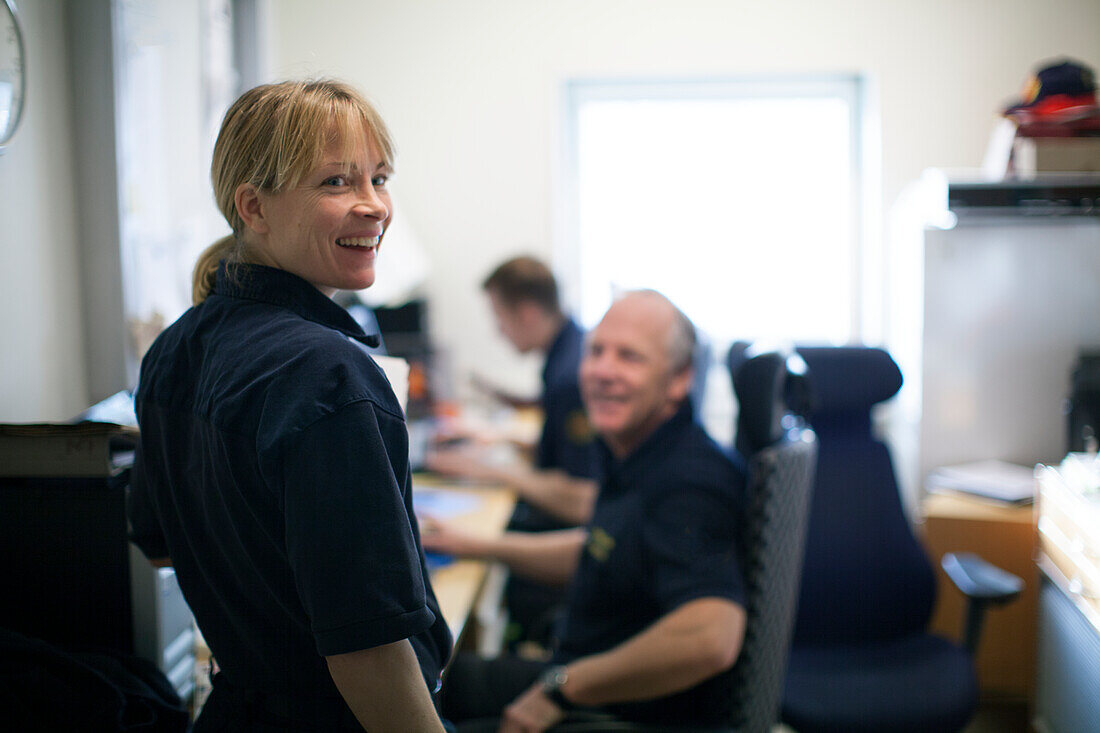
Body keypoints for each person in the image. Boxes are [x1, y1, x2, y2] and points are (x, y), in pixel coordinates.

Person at [127, 80, 451, 732]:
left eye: (379, 177)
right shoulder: (330, 376)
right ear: (254, 206)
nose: (374, 206)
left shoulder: (173, 350)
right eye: (337, 182)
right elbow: (370, 649)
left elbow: (156, 537)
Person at [426, 290, 748, 731]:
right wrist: (474, 544)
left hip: (625, 710)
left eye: (630, 357)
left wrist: (560, 689)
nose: (602, 371)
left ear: (678, 380)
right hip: (587, 679)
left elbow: (711, 636)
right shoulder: (640, 452)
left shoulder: (690, 480)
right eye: (596, 351)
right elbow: (601, 548)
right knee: (432, 678)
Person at [428, 257, 599, 649]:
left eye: (498, 317)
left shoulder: (570, 377)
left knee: (470, 552)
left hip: (571, 549)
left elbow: (583, 497)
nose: (498, 332)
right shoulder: (566, 353)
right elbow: (565, 447)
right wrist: (497, 441)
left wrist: (492, 471)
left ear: (525, 313)